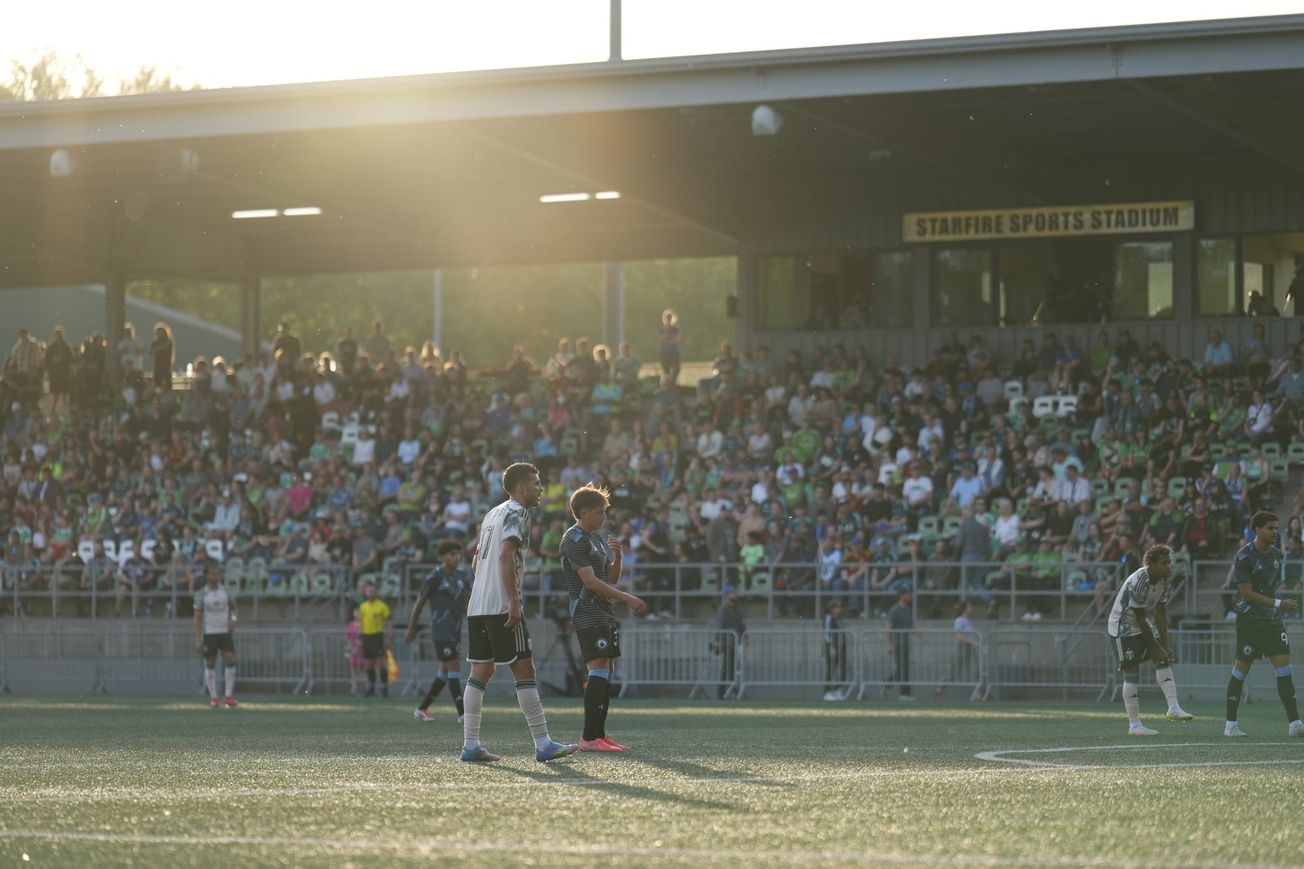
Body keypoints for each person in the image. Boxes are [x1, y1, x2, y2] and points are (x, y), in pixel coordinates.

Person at [461, 462, 576, 763]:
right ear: (522, 487)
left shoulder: (492, 513)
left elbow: (475, 563)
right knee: (524, 670)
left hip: (478, 604)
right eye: (537, 483)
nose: (541, 489)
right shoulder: (518, 512)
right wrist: (512, 600)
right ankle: (543, 744)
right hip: (501, 603)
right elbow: (505, 555)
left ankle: (470, 745)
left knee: (480, 672)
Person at [560, 483, 648, 752]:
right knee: (598, 669)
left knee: (606, 670)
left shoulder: (595, 537)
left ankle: (600, 734)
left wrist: (618, 556)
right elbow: (590, 583)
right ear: (583, 512)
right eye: (599, 511)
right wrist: (627, 598)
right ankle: (589, 738)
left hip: (603, 612)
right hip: (587, 612)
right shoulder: (573, 540)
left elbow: (609, 577)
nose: (604, 516)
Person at [1224, 511, 1303, 738]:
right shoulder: (1244, 556)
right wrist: (1279, 603)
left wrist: (1276, 605)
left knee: (1284, 668)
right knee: (1241, 670)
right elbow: (1247, 593)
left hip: (1272, 620)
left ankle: (1295, 723)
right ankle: (1230, 725)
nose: (1275, 532)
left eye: (1276, 528)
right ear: (1257, 530)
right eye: (1270, 528)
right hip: (1250, 620)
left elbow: (1268, 588)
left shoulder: (1277, 555)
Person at [1105, 544, 1192, 736]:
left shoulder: (1165, 579)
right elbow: (1139, 616)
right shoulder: (1139, 581)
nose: (1169, 566)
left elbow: (1160, 613)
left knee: (1163, 658)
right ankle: (1134, 725)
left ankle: (1174, 707)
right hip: (1123, 627)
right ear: (1150, 564)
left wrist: (1166, 645)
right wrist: (1155, 647)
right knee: (1131, 671)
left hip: (1143, 622)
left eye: (1169, 562)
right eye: (1164, 563)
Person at [405, 539, 473, 723]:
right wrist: (411, 628)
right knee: (454, 667)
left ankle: (422, 708)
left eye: (458, 554)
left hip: (455, 630)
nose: (456, 558)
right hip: (441, 630)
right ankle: (462, 714)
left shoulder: (461, 576)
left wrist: (476, 623)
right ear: (442, 557)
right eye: (452, 554)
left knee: (444, 671)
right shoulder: (434, 577)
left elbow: (464, 604)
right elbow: (419, 604)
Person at [193, 563, 238, 708]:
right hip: (210, 632)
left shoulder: (226, 591)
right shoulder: (201, 594)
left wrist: (233, 619)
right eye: (212, 574)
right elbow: (197, 616)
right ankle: (213, 697)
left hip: (225, 632)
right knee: (210, 662)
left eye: (217, 574)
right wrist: (198, 639)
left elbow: (234, 607)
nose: (215, 576)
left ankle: (228, 696)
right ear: (207, 575)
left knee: (230, 658)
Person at [937, 600, 984, 701]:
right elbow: (958, 635)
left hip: (972, 648)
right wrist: (972, 642)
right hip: (963, 647)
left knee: (976, 670)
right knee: (954, 670)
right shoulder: (959, 620)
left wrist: (976, 642)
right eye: (969, 606)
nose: (971, 608)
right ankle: (939, 689)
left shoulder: (969, 620)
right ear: (965, 608)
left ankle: (978, 694)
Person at [358, 580, 392, 698]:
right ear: (365, 593)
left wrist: (389, 636)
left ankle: (384, 689)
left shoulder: (382, 606)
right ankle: (371, 689)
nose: (370, 593)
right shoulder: (363, 606)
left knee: (380, 663)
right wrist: (360, 637)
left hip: (377, 636)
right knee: (368, 664)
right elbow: (361, 623)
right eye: (368, 591)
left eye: (372, 591)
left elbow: (389, 620)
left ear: (376, 592)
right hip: (366, 637)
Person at [711, 584, 746, 699]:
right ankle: (724, 691)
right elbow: (719, 624)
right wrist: (717, 639)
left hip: (734, 642)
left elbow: (740, 624)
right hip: (727, 642)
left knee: (730, 667)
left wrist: (745, 637)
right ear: (727, 595)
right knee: (727, 668)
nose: (735, 595)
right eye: (732, 593)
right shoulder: (724, 608)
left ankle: (730, 690)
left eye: (735, 593)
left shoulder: (736, 608)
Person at [886, 589, 914, 700]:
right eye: (908, 594)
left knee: (903, 668)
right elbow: (889, 627)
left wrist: (921, 635)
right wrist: (890, 644)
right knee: (902, 669)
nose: (910, 596)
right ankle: (904, 693)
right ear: (902, 596)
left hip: (906, 643)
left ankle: (886, 683)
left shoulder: (908, 609)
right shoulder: (895, 609)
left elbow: (911, 625)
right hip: (898, 643)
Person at [822, 600, 847, 701]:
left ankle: (837, 689)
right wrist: (831, 646)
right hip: (832, 647)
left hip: (840, 647)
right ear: (832, 609)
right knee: (830, 669)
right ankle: (827, 692)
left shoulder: (839, 619)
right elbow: (827, 633)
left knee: (842, 669)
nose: (839, 610)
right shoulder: (828, 618)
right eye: (837, 608)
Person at [344, 607, 365, 695]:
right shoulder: (350, 625)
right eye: (355, 612)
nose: (357, 614)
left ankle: (362, 687)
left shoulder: (364, 625)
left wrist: (360, 645)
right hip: (351, 649)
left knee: (361, 668)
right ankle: (354, 687)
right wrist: (351, 648)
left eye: (359, 612)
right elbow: (347, 637)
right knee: (352, 668)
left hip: (362, 650)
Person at [658, 308, 682, 385]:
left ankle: (673, 383)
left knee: (677, 369)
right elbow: (661, 340)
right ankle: (666, 384)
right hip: (665, 352)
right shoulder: (661, 329)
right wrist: (667, 331)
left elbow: (676, 339)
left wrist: (669, 340)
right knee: (666, 371)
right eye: (667, 318)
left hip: (674, 352)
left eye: (670, 318)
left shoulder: (676, 329)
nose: (669, 320)